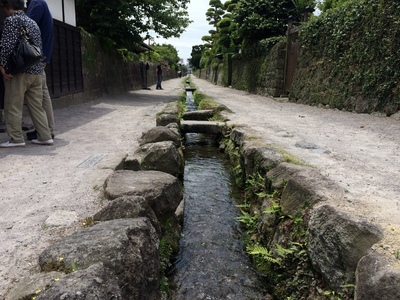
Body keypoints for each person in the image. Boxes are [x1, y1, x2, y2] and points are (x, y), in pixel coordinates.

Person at [0, 0, 53, 147]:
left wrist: (2, 65)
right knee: (37, 106)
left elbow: (6, 45)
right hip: (36, 70)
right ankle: (45, 136)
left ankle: (16, 138)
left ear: (8, 6)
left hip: (19, 71)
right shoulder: (32, 22)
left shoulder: (11, 20)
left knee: (13, 104)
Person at [25, 0, 55, 140]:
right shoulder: (41, 3)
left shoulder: (36, 4)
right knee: (43, 94)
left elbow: (25, 27)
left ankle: (45, 131)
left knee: (39, 96)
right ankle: (47, 129)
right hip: (42, 56)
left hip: (35, 57)